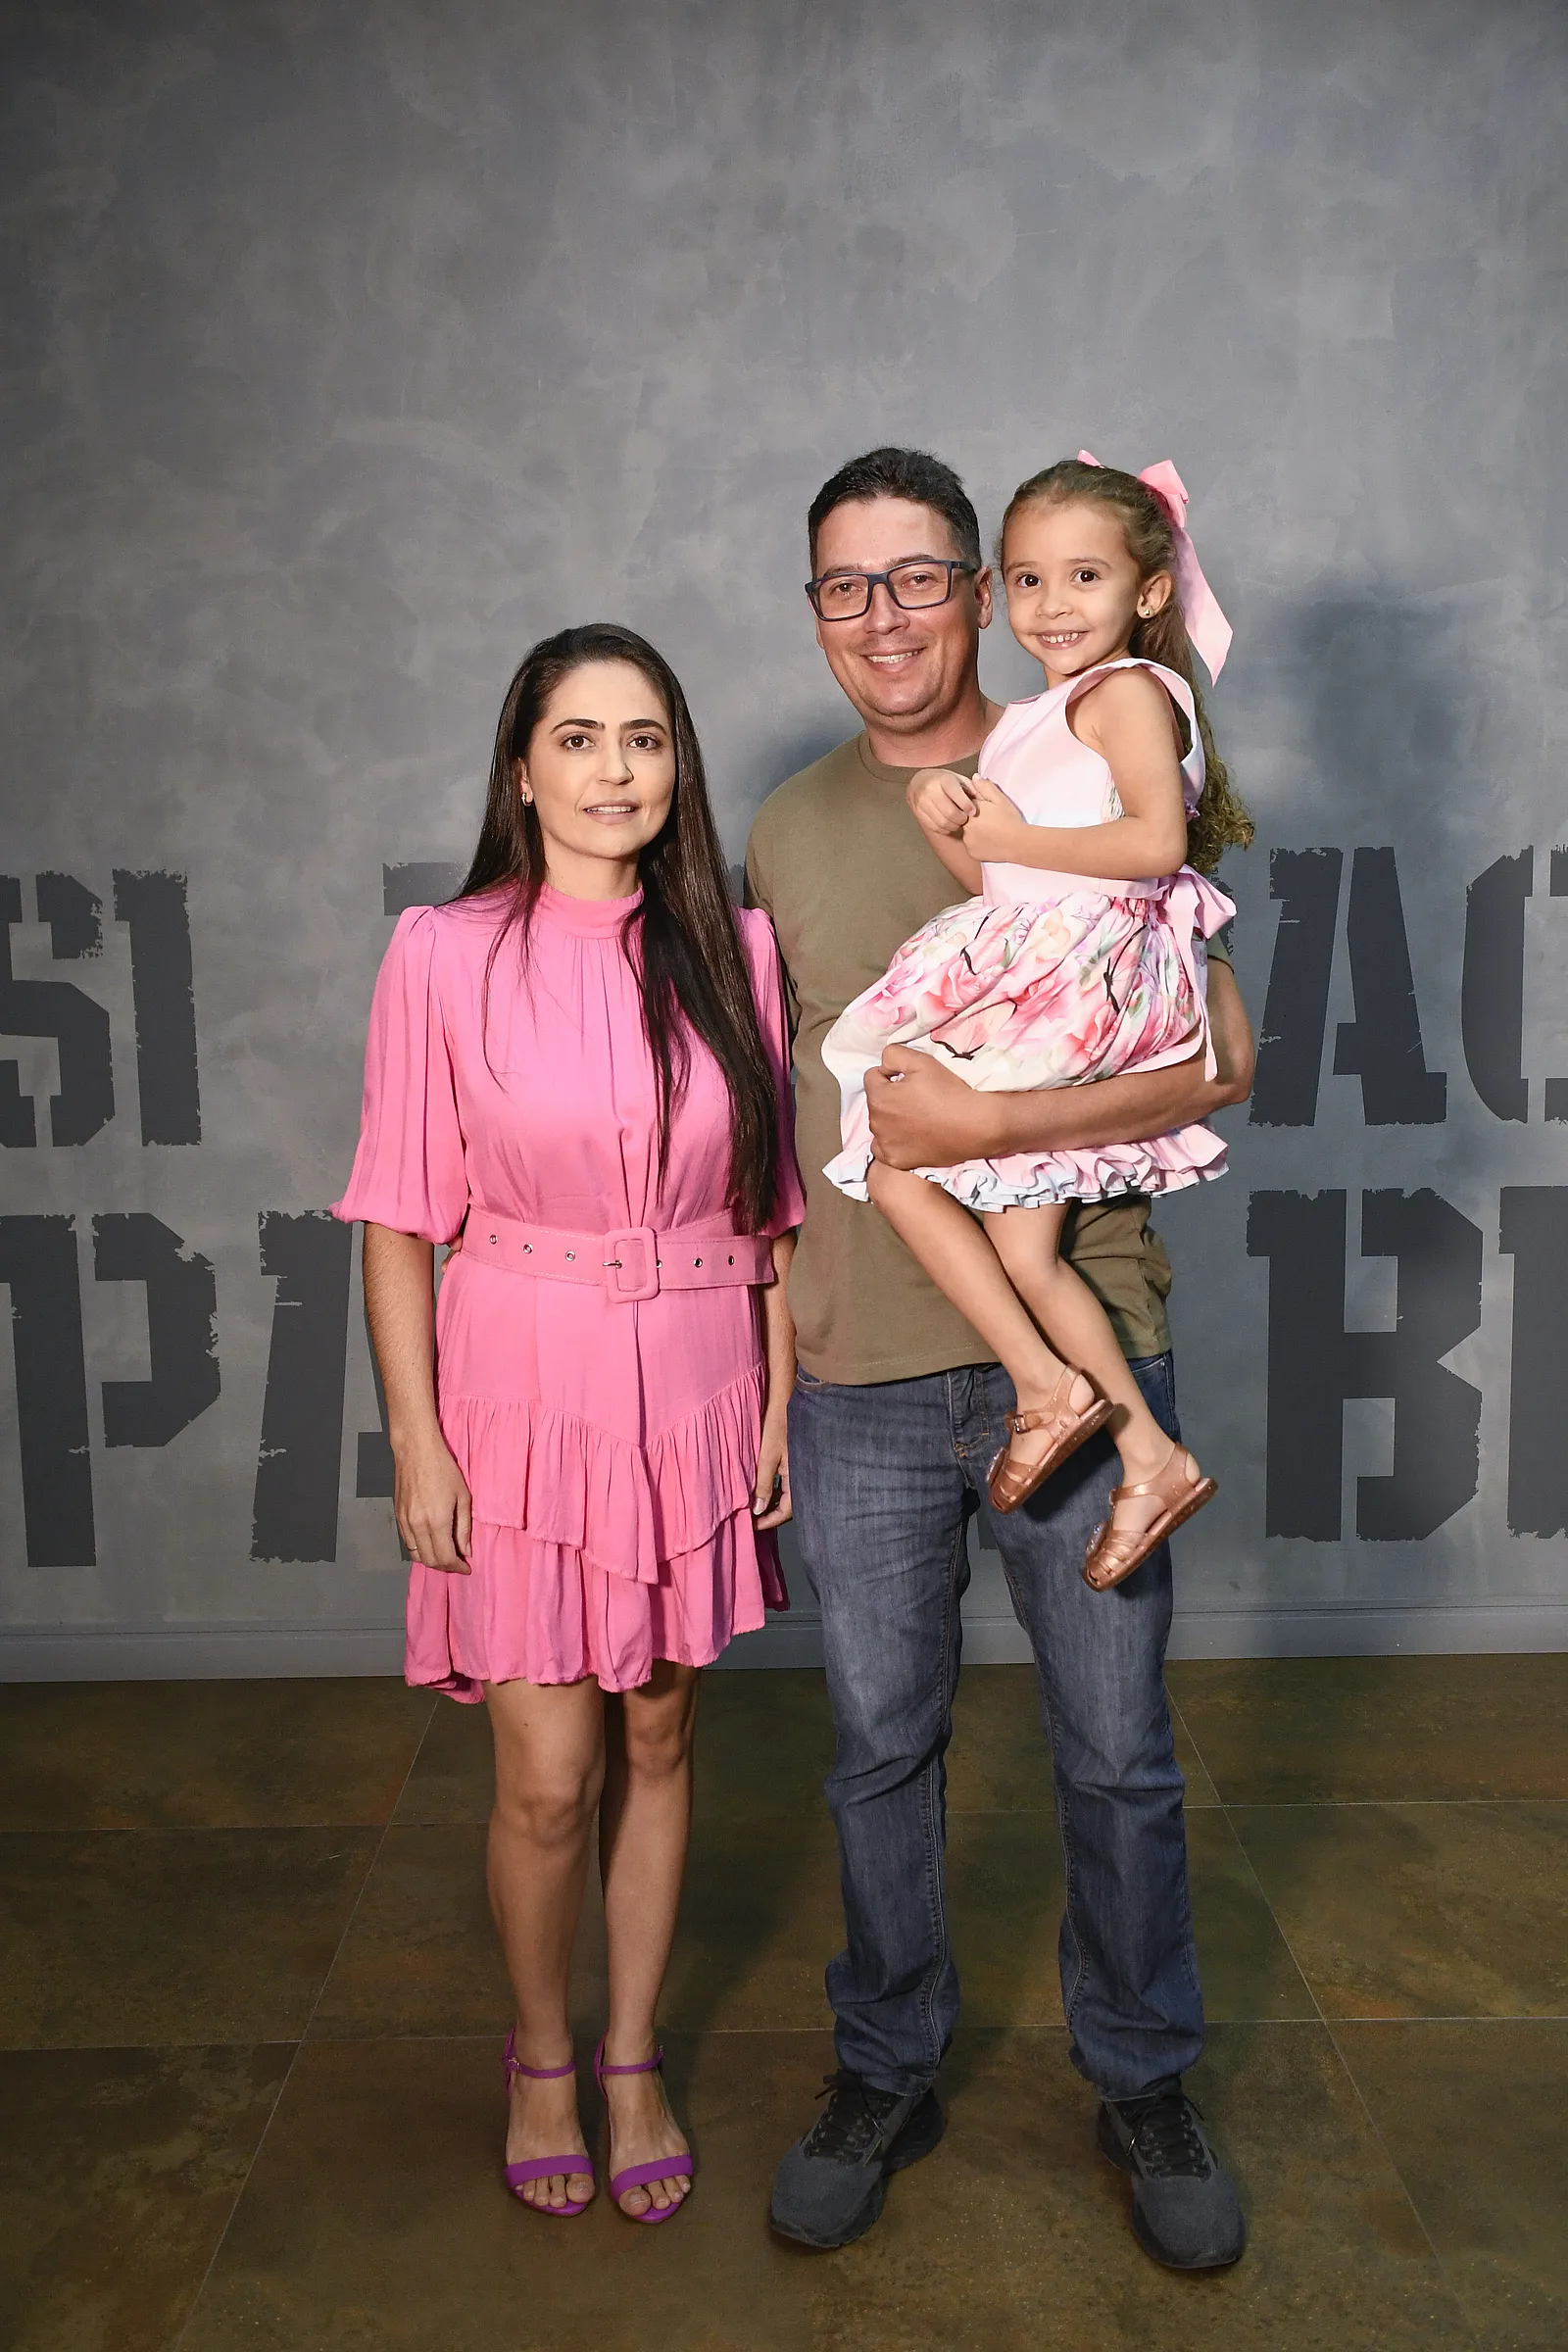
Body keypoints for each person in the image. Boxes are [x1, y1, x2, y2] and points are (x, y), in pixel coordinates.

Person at [747, 449, 1252, 2268]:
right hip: (864, 1368)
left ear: (982, 588)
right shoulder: (785, 827)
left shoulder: (1089, 744)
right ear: (817, 614)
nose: (884, 616)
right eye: (845, 585)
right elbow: (771, 1113)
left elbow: (1218, 1058)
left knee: (1114, 1751)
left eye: (919, 577)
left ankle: (1144, 2073)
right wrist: (764, 1372)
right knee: (879, 1748)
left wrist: (981, 1128)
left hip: (1085, 1321)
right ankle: (885, 2062)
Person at [334, 623, 803, 2226]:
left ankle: (632, 2057)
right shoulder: (441, 952)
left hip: (697, 1394)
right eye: (581, 738)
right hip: (519, 1401)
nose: (617, 770)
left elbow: (771, 1210)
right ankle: (541, 2055)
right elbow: (398, 1217)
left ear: (679, 769)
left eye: (646, 739)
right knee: (546, 1779)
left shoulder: (736, 951)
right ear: (521, 771)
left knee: (660, 1737)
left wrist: (775, 1404)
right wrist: (417, 1441)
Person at [819, 456, 1250, 1587]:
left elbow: (1154, 843)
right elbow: (997, 880)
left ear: (1146, 592)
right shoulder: (1031, 720)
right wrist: (944, 815)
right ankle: (1147, 1457)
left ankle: (1049, 1388)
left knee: (896, 1160)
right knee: (1020, 1248)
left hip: (1091, 979)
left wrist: (1005, 835)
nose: (1051, 604)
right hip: (1043, 960)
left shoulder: (1125, 693)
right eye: (1026, 579)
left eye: (1083, 576)